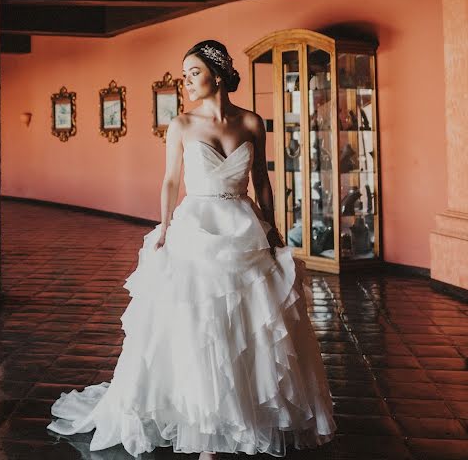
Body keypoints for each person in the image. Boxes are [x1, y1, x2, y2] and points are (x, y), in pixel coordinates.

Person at [47, 40, 336, 458]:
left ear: (217, 75)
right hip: (196, 227)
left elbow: (263, 181)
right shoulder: (181, 124)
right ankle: (205, 429)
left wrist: (272, 228)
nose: (186, 82)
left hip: (243, 225)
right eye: (184, 75)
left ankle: (245, 414)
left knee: (246, 321)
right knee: (200, 323)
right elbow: (170, 180)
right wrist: (164, 227)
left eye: (193, 73)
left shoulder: (253, 122)